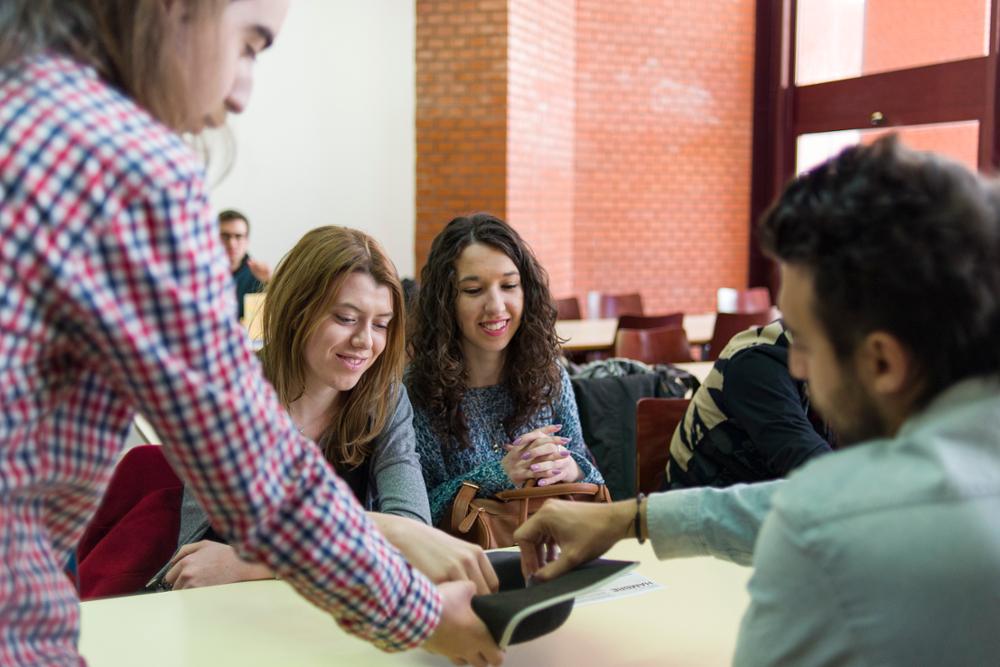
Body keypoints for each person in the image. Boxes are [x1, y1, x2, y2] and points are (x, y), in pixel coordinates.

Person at [0, 3, 501, 665]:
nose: (241, 91)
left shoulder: (25, 108)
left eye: (380, 324)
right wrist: (419, 611)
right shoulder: (126, 166)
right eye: (250, 44)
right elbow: (263, 481)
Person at [515, 136, 1000, 665]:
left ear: (882, 362)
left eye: (806, 341)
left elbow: (825, 515)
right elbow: (816, 506)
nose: (796, 365)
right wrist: (633, 519)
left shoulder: (829, 539)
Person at [159, 226, 496, 595]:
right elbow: (196, 567)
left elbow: (412, 532)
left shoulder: (384, 399)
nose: (365, 342)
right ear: (297, 311)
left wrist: (250, 563)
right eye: (346, 319)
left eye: (381, 325)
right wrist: (380, 530)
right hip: (221, 612)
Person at [406, 213, 605, 526]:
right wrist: (500, 474)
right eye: (473, 290)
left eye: (509, 285)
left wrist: (570, 468)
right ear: (445, 301)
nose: (496, 306)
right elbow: (415, 514)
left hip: (554, 556)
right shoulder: (416, 392)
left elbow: (597, 487)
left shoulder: (548, 374)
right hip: (467, 565)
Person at [666, 319, 834, 488]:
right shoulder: (757, 364)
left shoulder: (833, 358)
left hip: (765, 500)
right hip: (705, 506)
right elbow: (813, 466)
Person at [218, 208, 271, 320]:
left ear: (247, 241)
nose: (232, 244)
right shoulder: (198, 274)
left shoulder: (259, 276)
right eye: (225, 236)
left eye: (238, 236)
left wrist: (270, 282)